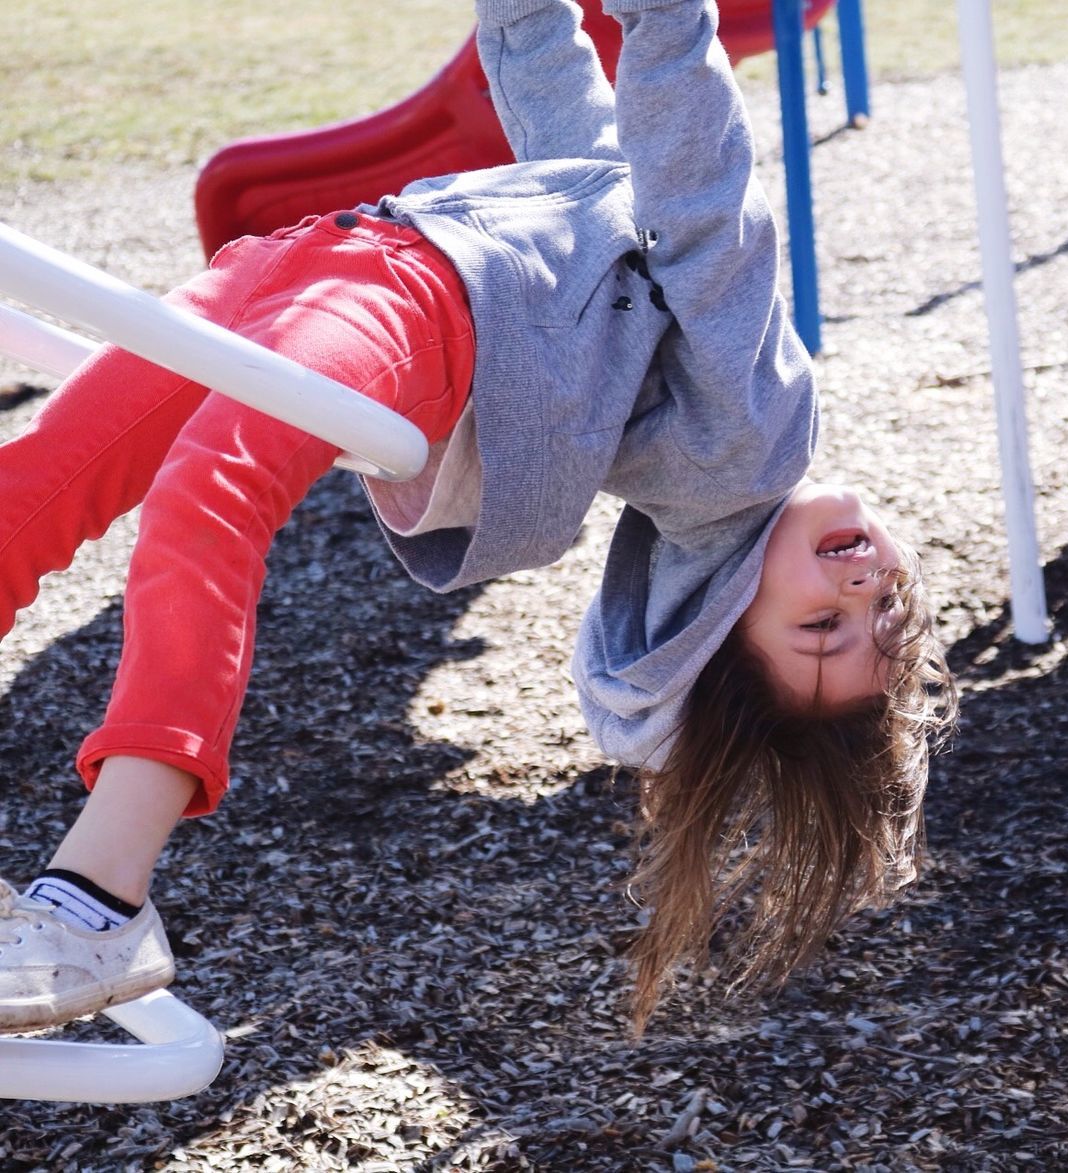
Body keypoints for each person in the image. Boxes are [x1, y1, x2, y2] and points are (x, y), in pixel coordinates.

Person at [0, 0, 955, 1035]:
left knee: (201, 491)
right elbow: (587, 153)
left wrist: (666, 20)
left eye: (822, 628)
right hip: (331, 260)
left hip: (414, 295)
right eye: (883, 620)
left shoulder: (746, 446)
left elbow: (705, 208)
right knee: (40, 484)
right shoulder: (721, 448)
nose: (863, 593)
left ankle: (99, 899)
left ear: (704, 627)